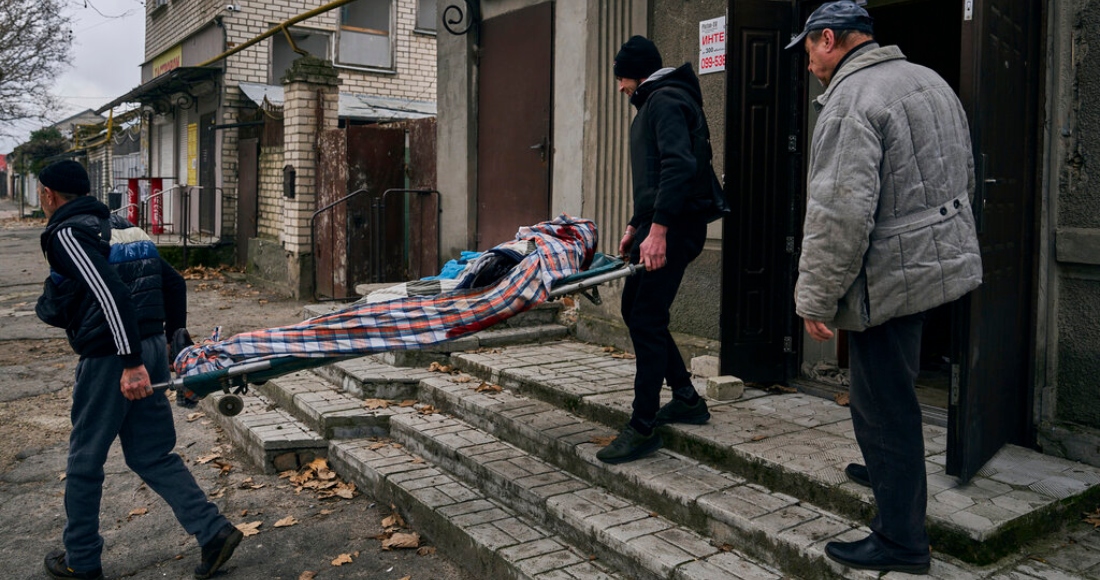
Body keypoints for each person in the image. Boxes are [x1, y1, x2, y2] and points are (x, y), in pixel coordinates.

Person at [788, 1, 982, 574]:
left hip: (888, 276)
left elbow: (838, 214)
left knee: (882, 405)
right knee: (895, 386)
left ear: (829, 39)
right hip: (930, 265)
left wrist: (815, 298)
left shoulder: (852, 101)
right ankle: (885, 468)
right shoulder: (928, 80)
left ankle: (901, 541)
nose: (806, 65)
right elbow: (962, 171)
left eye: (807, 52)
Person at [34, 160, 242, 580]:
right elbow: (174, 282)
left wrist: (130, 364)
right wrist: (168, 344)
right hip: (145, 348)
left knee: (85, 460)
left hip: (113, 357)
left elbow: (112, 295)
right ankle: (213, 531)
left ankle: (81, 559)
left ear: (48, 194)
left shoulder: (66, 232)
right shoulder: (121, 224)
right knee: (151, 452)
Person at [597, 36, 718, 464]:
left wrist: (660, 229)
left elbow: (679, 165)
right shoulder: (657, 100)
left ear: (639, 73)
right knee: (637, 310)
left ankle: (642, 425)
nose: (620, 87)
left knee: (646, 317)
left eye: (622, 77)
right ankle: (685, 397)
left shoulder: (664, 100)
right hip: (660, 225)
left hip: (676, 228)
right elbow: (654, 175)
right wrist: (637, 223)